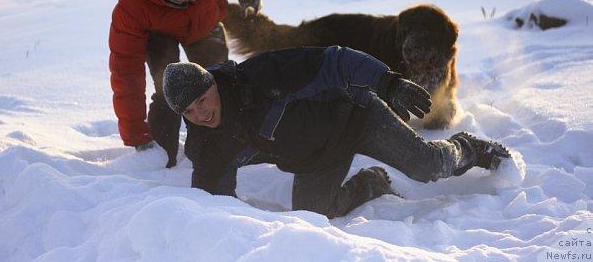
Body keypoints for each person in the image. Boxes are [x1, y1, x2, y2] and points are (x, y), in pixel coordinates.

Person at [162, 46, 511, 218]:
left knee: (428, 167)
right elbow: (215, 207)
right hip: (314, 159)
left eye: (203, 100)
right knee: (313, 218)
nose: (201, 114)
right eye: (188, 112)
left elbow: (335, 60)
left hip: (356, 117)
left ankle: (470, 147)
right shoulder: (206, 145)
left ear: (213, 85)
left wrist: (387, 83)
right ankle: (373, 182)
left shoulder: (261, 77)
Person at [109, 0, 262, 167]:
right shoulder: (132, 7)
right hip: (159, 34)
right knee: (169, 91)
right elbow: (125, 70)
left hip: (204, 21)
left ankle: (228, 146)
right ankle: (162, 158)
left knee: (218, 82)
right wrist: (136, 133)